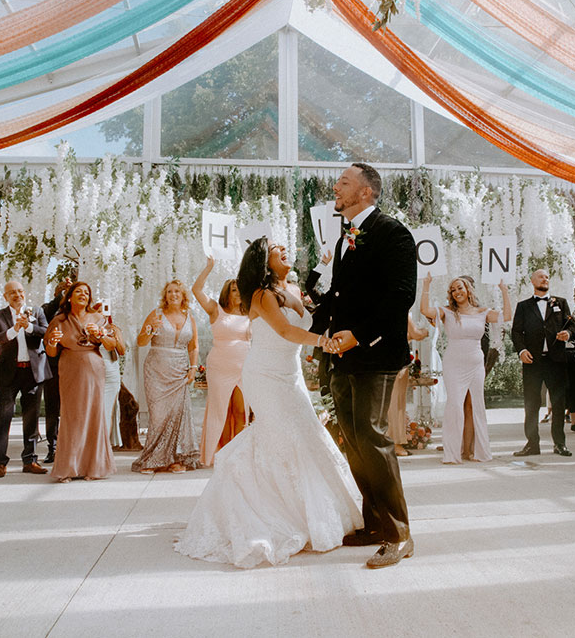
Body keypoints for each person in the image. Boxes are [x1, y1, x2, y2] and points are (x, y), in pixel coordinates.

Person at [175, 238, 361, 568]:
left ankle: (314, 516)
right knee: (281, 437)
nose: (286, 249)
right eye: (278, 248)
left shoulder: (292, 287)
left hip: (290, 374)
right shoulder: (261, 295)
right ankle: (272, 515)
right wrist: (325, 343)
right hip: (264, 374)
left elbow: (314, 315)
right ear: (264, 260)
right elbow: (287, 331)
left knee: (308, 436)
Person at [313, 163, 417, 569]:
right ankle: (374, 523)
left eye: (343, 183)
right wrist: (314, 332)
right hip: (342, 356)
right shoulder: (344, 239)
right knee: (354, 441)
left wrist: (360, 334)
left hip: (376, 354)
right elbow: (338, 297)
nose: (335, 188)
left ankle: (399, 534)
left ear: (367, 193)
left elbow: (400, 297)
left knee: (373, 438)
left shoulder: (394, 234)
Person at [421, 274, 511, 464]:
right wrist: (426, 285)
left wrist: (504, 290)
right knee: (455, 405)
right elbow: (424, 310)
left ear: (468, 289)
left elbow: (507, 316)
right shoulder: (447, 312)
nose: (456, 292)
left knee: (477, 405)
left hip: (476, 362)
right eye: (453, 290)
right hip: (454, 362)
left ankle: (479, 451)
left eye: (459, 288)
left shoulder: (482, 311)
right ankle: (452, 453)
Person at [44, 282, 117, 482]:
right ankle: (68, 468)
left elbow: (112, 345)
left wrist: (100, 334)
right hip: (70, 368)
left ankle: (94, 467)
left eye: (86, 292)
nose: (83, 295)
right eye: (78, 292)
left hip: (94, 367)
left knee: (94, 415)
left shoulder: (98, 318)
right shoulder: (59, 320)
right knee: (71, 416)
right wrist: (51, 342)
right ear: (69, 297)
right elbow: (51, 352)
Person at [132, 279, 201, 473]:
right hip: (157, 370)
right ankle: (154, 460)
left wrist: (193, 369)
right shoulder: (156, 315)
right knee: (159, 415)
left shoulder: (190, 318)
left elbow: (193, 346)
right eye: (170, 292)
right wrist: (149, 330)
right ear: (165, 296)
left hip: (179, 370)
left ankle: (175, 459)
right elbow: (141, 341)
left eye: (177, 292)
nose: (173, 295)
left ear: (183, 296)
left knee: (178, 415)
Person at [0, 280, 51, 478]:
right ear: (5, 296)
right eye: (12, 292)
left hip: (32, 372)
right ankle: (0, 463)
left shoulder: (37, 311)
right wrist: (14, 329)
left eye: (20, 291)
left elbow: (47, 333)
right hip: (8, 373)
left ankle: (30, 460)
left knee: (31, 419)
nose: (17, 295)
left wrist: (29, 327)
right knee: (4, 417)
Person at [511, 269, 575, 457]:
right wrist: (522, 351)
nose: (545, 279)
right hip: (533, 361)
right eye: (541, 276)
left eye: (547, 277)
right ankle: (532, 444)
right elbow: (516, 332)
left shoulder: (561, 303)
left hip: (556, 360)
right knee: (531, 403)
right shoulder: (523, 306)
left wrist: (569, 334)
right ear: (532, 281)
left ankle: (559, 444)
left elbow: (571, 324)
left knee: (558, 402)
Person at [192, 256, 251, 466]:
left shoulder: (251, 313)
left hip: (244, 366)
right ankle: (225, 454)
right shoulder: (216, 310)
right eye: (234, 290)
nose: (238, 293)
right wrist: (209, 267)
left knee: (241, 410)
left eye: (241, 289)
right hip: (220, 366)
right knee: (222, 411)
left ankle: (239, 452)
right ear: (228, 292)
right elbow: (196, 291)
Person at [40, 275, 74, 464]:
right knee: (52, 409)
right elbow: (44, 323)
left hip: (73, 365)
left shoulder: (75, 312)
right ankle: (52, 448)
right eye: (61, 292)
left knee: (72, 408)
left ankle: (70, 447)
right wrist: (57, 299)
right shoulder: (48, 309)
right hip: (52, 367)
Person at [389, 314, 429, 457]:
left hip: (379, 361)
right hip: (397, 361)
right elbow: (416, 334)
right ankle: (396, 443)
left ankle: (389, 441)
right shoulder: (401, 308)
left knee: (386, 404)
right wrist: (426, 331)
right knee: (397, 404)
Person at [94, 301, 127, 449]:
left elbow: (121, 350)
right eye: (98, 310)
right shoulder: (89, 329)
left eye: (104, 310)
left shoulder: (114, 328)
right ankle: (96, 444)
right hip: (94, 370)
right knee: (96, 410)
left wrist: (114, 335)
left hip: (111, 370)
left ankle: (104, 444)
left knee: (108, 410)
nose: (102, 313)